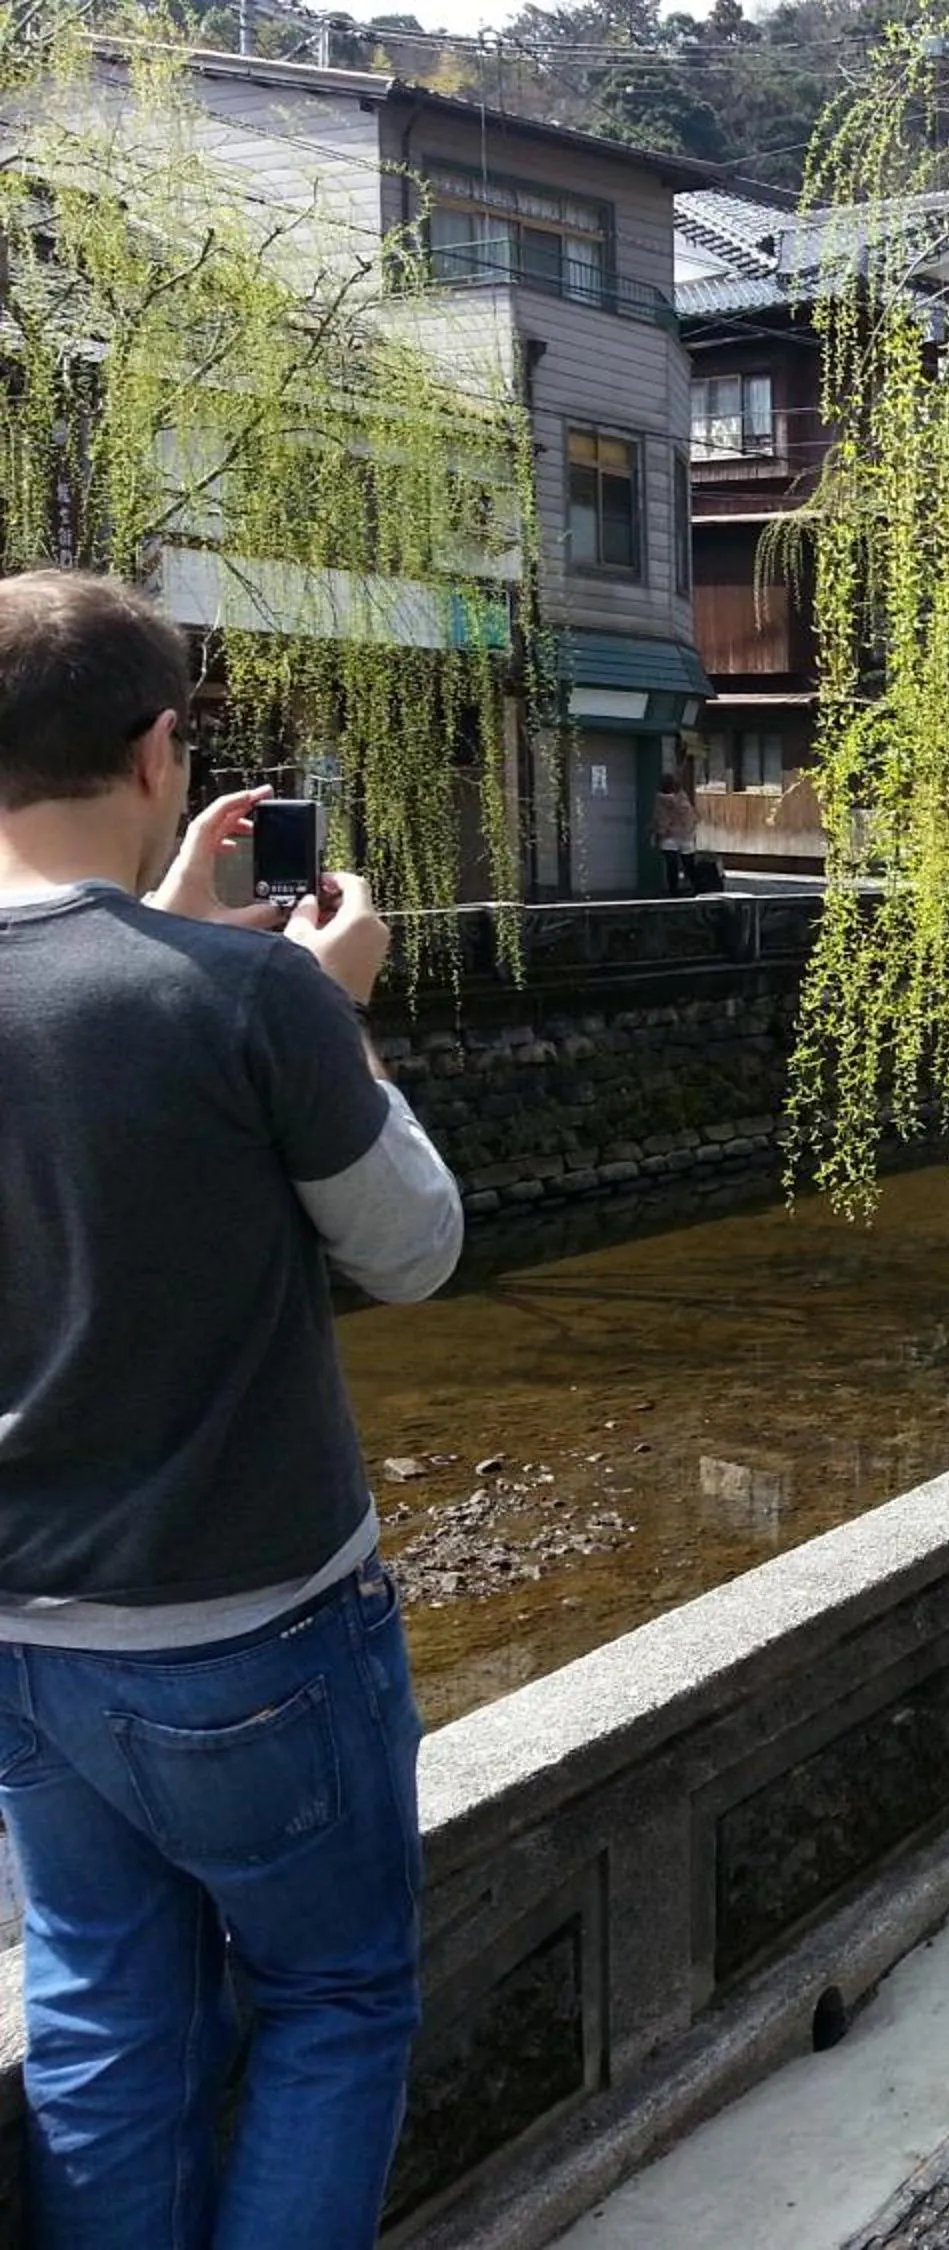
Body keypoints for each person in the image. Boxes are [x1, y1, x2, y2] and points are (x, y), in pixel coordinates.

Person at [0, 568, 464, 2247]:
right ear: (159, 753)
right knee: (335, 2004)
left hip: (25, 1652)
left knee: (110, 2022)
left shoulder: (192, 982)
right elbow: (411, 1252)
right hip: (254, 1633)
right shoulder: (254, 1000)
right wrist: (330, 1015)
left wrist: (187, 937)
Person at [653, 760, 700, 895]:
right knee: (688, 864)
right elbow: (690, 815)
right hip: (685, 835)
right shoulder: (682, 798)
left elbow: (660, 819)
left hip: (669, 836)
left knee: (672, 866)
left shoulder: (661, 800)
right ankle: (695, 888)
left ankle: (674, 890)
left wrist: (658, 833)